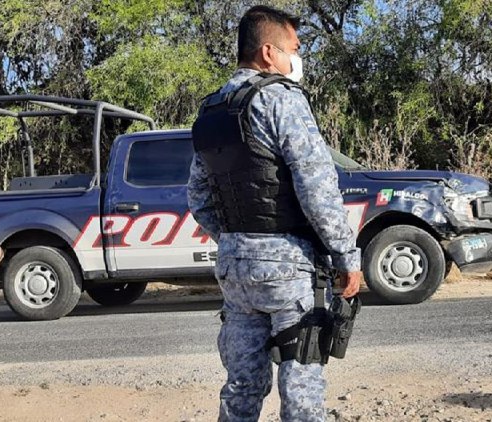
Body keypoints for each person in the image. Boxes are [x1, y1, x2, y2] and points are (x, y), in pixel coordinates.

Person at [187, 5, 363, 421]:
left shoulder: (211, 110)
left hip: (234, 268)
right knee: (301, 385)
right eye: (293, 49)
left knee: (242, 385)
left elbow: (198, 196)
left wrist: (238, 240)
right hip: (288, 266)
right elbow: (317, 185)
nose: (295, 59)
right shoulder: (280, 99)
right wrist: (345, 257)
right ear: (269, 53)